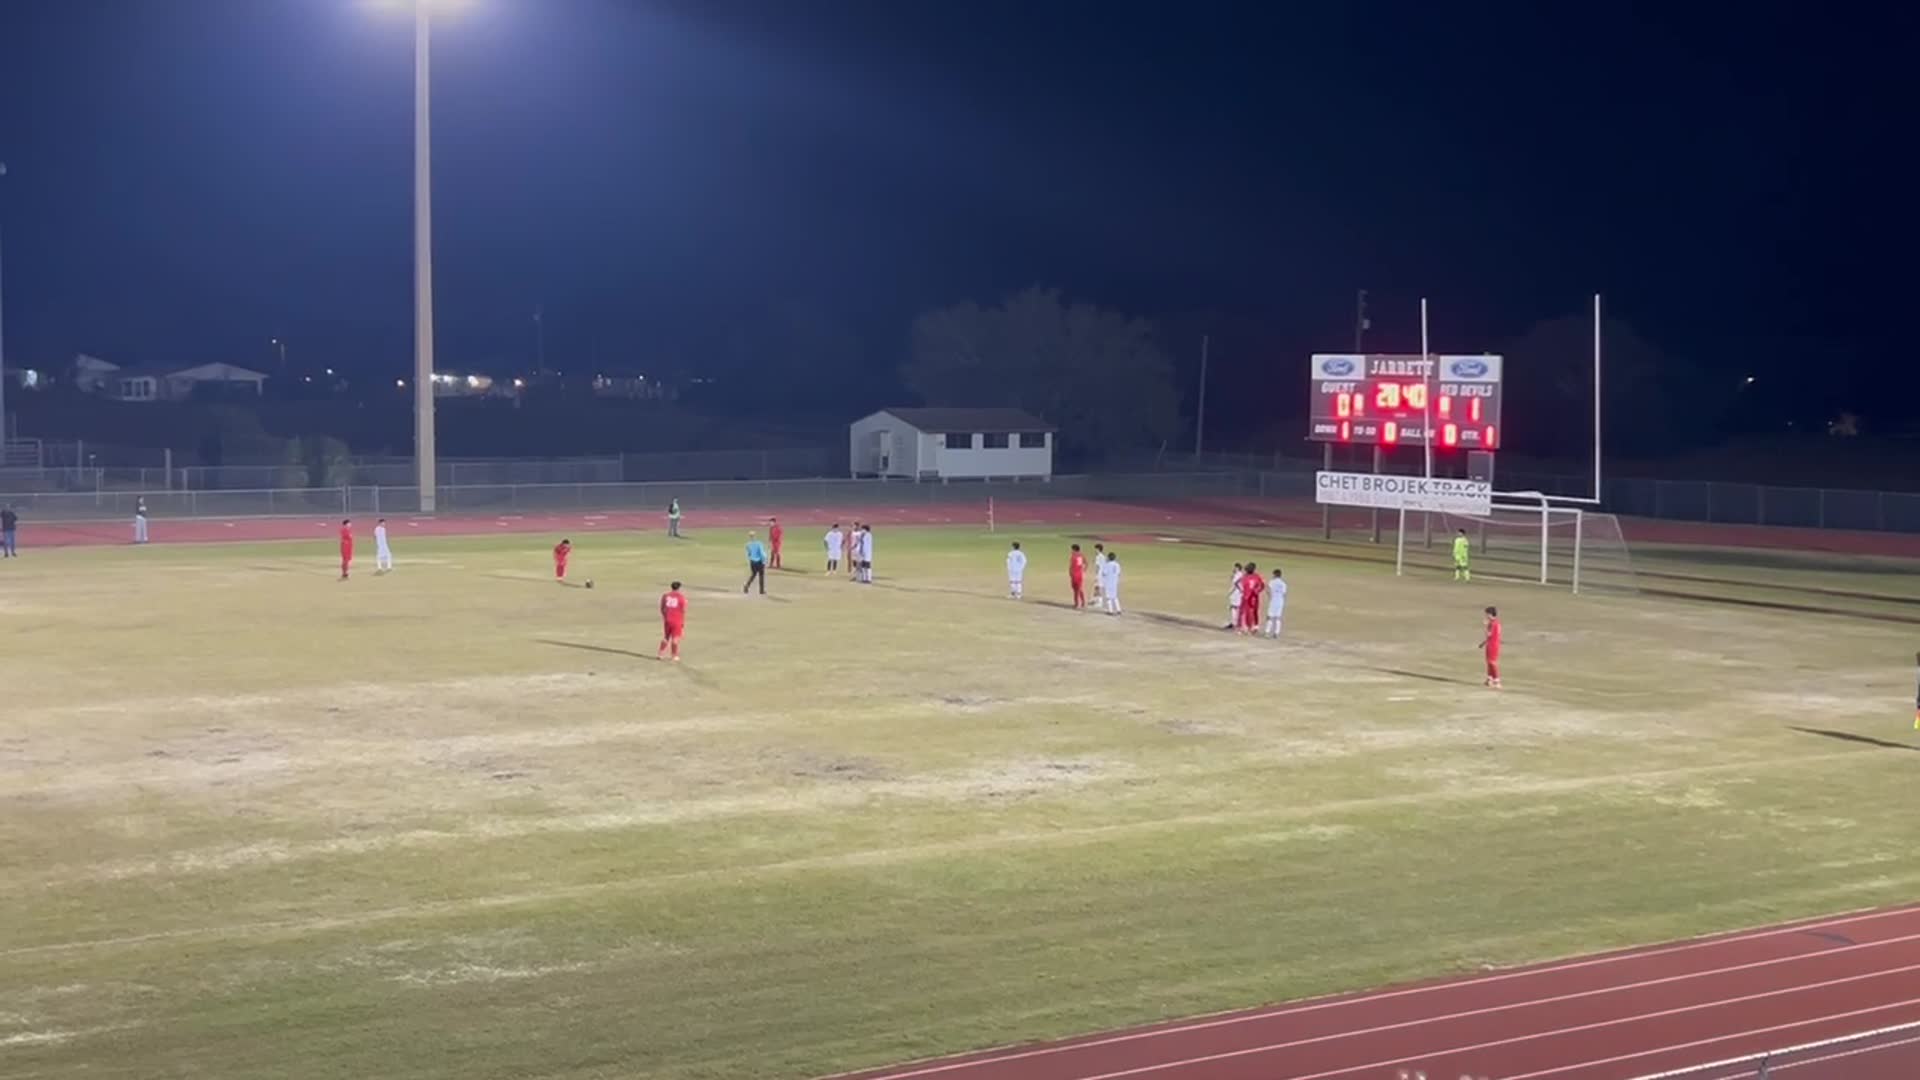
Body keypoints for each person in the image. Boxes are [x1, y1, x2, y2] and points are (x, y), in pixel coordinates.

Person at [659, 580, 688, 663]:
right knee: (675, 639)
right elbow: (683, 610)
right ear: (679, 588)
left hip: (668, 619)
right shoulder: (681, 598)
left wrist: (665, 617)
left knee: (666, 637)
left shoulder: (665, 596)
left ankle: (660, 653)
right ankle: (674, 655)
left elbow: (662, 608)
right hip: (677, 620)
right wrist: (682, 622)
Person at [1238, 560, 1266, 634]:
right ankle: (1245, 627)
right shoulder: (1245, 576)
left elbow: (1262, 585)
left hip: (1252, 598)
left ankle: (1252, 627)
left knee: (1252, 612)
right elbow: (1239, 584)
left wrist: (1257, 590)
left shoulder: (1256, 576)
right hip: (1247, 597)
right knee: (1245, 612)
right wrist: (1241, 590)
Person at [1480, 605, 1502, 688]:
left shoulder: (1492, 623)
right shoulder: (1497, 623)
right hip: (1492, 644)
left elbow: (1489, 634)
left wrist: (1485, 626)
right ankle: (1489, 679)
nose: (1486, 616)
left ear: (1490, 614)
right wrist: (1484, 643)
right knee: (1489, 662)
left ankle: (1497, 681)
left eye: (1487, 614)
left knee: (1492, 662)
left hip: (1492, 645)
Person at [1264, 568, 1287, 638]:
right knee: (1278, 618)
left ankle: (1267, 632)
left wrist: (1269, 596)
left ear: (1274, 574)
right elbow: (1284, 594)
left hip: (1273, 601)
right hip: (1280, 601)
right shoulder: (1283, 583)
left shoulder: (1272, 582)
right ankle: (1276, 633)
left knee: (1269, 617)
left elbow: (1268, 590)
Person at [1098, 548, 1122, 614]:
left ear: (1109, 558)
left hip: (1108, 582)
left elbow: (1104, 573)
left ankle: (1110, 610)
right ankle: (1118, 609)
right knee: (1115, 596)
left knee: (1108, 597)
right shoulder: (1117, 564)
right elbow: (1118, 573)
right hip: (1115, 582)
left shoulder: (1107, 565)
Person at [1225, 563, 1246, 630]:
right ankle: (1236, 623)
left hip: (1236, 594)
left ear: (1237, 568)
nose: (1233, 569)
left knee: (1233, 608)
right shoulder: (1241, 574)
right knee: (1236, 608)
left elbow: (1235, 585)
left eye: (1234, 567)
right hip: (1239, 594)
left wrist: (1229, 593)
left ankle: (1234, 624)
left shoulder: (1237, 575)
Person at [1068, 543, 1088, 609]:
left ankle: (1076, 604)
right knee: (1079, 589)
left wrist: (1070, 573)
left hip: (1074, 575)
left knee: (1075, 590)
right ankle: (1083, 602)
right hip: (1080, 574)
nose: (1071, 550)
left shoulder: (1073, 556)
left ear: (1074, 549)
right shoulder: (1081, 555)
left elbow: (1071, 566)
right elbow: (1086, 563)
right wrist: (1084, 570)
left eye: (1072, 549)